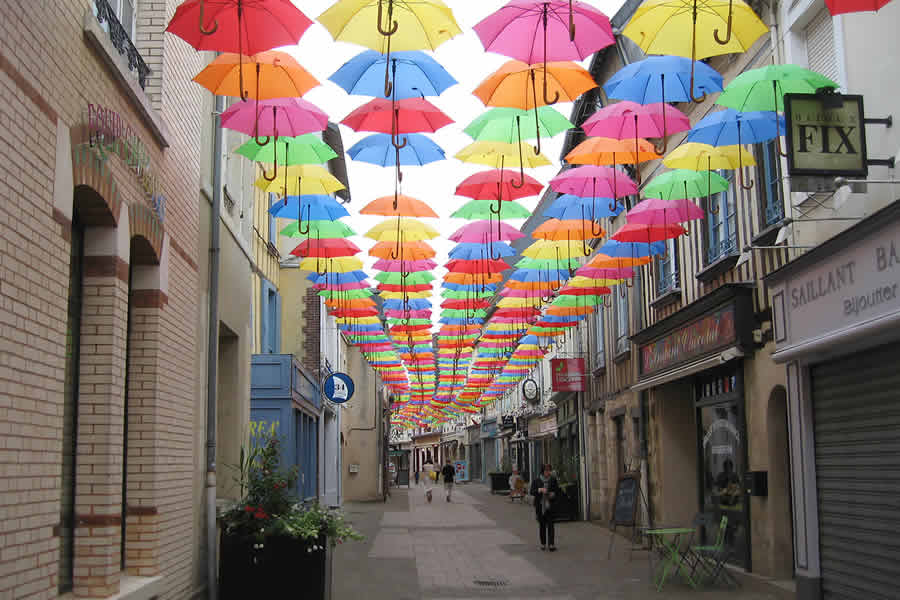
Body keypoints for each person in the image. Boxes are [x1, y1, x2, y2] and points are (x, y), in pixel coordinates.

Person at [530, 463, 560, 551]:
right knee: (542, 525)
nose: (548, 472)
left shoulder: (553, 480)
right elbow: (532, 491)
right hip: (540, 506)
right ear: (542, 471)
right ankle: (543, 543)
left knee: (551, 525)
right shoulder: (537, 480)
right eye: (546, 470)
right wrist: (539, 490)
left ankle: (551, 544)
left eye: (549, 470)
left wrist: (553, 494)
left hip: (550, 505)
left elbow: (557, 491)